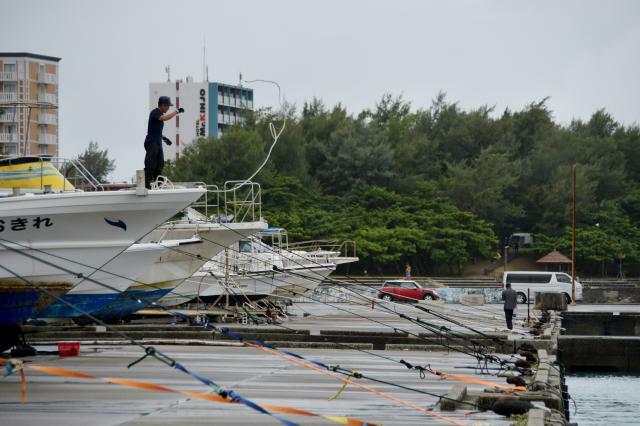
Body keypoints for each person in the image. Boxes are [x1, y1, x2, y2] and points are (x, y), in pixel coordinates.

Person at [144, 96, 183, 188]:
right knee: (151, 162)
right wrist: (176, 112)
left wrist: (164, 138)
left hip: (157, 141)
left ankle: (159, 184)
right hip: (151, 142)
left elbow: (155, 130)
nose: (168, 108)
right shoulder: (155, 112)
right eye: (168, 106)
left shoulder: (159, 114)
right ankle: (146, 183)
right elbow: (164, 118)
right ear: (163, 105)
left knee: (160, 163)